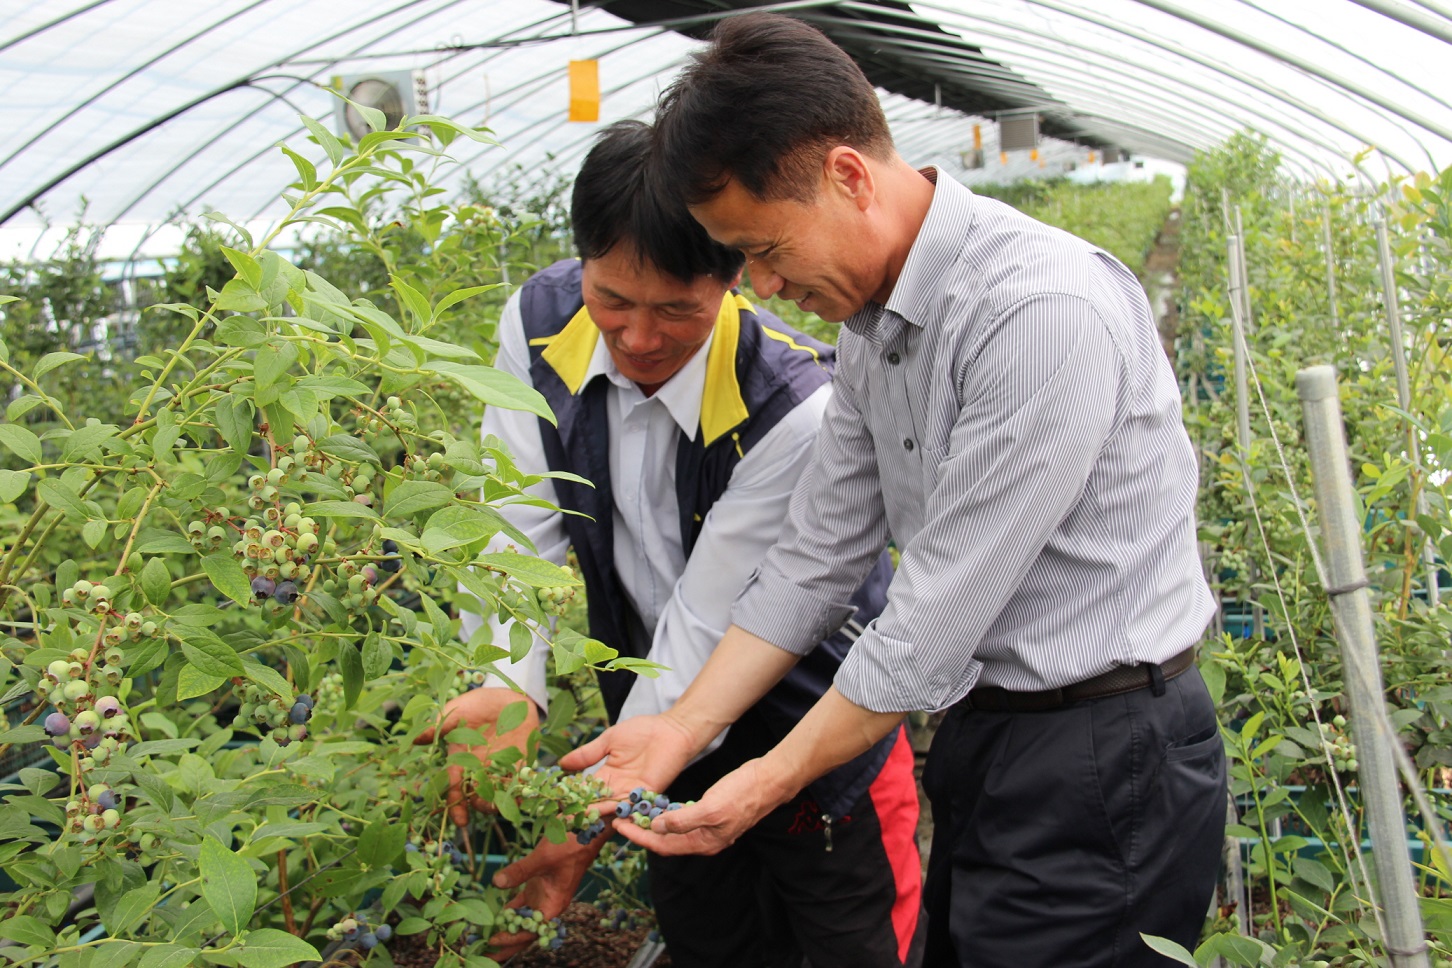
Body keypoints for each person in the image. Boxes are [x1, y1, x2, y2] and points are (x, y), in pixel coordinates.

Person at [563, 14, 1227, 968]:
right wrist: (678, 729)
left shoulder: (1035, 313)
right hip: (991, 739)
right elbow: (814, 559)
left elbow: (924, 629)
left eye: (763, 247)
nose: (760, 284)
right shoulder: (876, 325)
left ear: (846, 175)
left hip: (1104, 756)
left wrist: (759, 782)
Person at [424, 119, 925, 968]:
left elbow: (707, 617)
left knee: (859, 944)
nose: (640, 335)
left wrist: (585, 812)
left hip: (812, 735)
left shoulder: (791, 405)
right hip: (660, 736)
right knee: (712, 942)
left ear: (737, 277)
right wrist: (508, 688)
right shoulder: (540, 324)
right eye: (613, 299)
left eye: (676, 310)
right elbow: (517, 520)